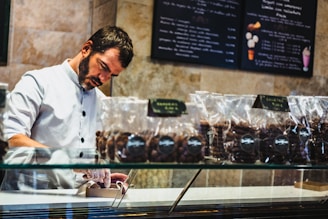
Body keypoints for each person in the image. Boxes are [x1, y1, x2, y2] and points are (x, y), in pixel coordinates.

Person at [1, 25, 134, 190]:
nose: (103, 78)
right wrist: (71, 161)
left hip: (73, 206)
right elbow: (13, 140)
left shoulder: (102, 101)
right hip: (25, 199)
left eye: (112, 75)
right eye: (103, 67)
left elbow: (88, 164)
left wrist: (98, 179)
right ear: (86, 48)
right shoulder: (37, 82)